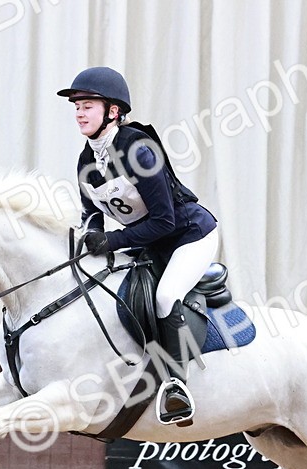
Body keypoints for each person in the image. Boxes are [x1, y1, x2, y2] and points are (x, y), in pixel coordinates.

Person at [58, 66, 219, 427]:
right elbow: (91, 212)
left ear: (112, 111)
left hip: (188, 235)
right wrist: (91, 236)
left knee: (164, 297)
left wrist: (112, 241)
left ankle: (176, 385)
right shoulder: (87, 161)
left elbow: (164, 220)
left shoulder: (138, 150)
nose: (79, 112)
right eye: (76, 106)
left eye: (87, 105)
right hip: (149, 242)